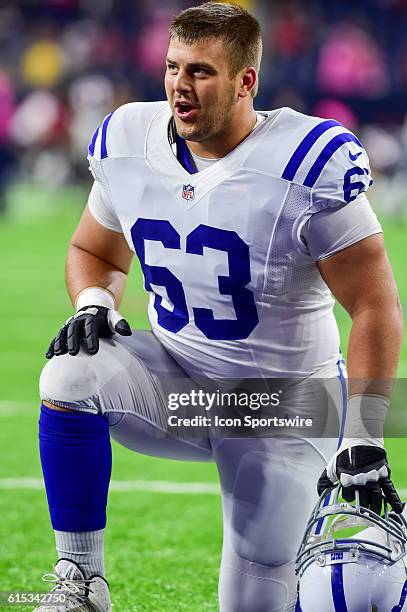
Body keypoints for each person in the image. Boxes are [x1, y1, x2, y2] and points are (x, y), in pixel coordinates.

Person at [36, 3, 404, 611]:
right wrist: (95, 300)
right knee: (69, 373)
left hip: (284, 404)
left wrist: (366, 436)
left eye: (202, 71)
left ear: (245, 81)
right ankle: (81, 584)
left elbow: (375, 304)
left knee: (252, 601)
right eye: (173, 67)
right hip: (180, 384)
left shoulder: (303, 163)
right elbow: (91, 249)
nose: (181, 85)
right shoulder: (130, 138)